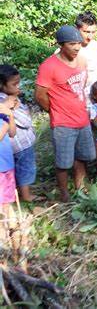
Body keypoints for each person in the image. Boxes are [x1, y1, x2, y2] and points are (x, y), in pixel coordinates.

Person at [36, 25, 96, 202]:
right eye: (72, 44)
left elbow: (82, 86)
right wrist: (55, 110)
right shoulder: (49, 66)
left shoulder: (83, 60)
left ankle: (80, 187)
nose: (77, 47)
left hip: (82, 118)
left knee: (84, 156)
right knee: (63, 162)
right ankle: (64, 193)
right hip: (63, 123)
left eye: (78, 43)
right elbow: (40, 95)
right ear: (61, 45)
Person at [0, 65, 36, 201]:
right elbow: (26, 121)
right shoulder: (8, 102)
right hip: (21, 144)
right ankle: (26, 196)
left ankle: (14, 193)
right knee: (25, 169)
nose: (18, 86)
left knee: (14, 170)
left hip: (10, 146)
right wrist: (13, 108)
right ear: (2, 85)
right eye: (14, 84)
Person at [74, 12, 97, 109]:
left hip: (95, 100)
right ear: (77, 29)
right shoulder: (67, 49)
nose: (90, 36)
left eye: (93, 32)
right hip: (74, 101)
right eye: (86, 32)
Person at [0, 97, 16, 241]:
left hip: (7, 164)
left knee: (7, 198)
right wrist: (4, 127)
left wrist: (10, 116)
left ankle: (8, 228)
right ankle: (2, 232)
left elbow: (12, 133)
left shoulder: (3, 114)